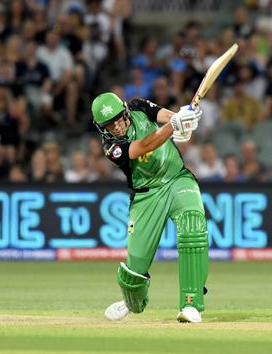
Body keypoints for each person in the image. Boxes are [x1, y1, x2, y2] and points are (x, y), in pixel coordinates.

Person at [91, 92, 206, 323]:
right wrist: (173, 127)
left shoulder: (138, 106)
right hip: (146, 196)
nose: (117, 126)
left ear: (125, 111)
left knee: (193, 224)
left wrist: (182, 120)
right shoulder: (111, 146)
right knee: (133, 272)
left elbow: (164, 116)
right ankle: (130, 302)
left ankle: (191, 304)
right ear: (101, 128)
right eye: (109, 125)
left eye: (119, 119)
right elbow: (144, 146)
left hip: (176, 179)